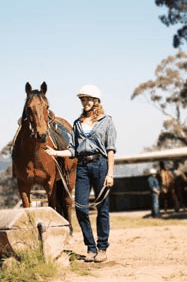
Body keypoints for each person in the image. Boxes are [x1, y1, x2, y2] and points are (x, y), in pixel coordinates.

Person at [45, 84, 117, 263]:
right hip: (83, 167)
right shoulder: (77, 124)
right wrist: (54, 153)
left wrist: (110, 173)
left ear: (96, 101)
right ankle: (90, 247)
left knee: (102, 209)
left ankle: (102, 248)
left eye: (88, 99)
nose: (85, 102)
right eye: (83, 99)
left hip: (100, 164)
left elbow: (110, 150)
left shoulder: (107, 121)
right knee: (81, 208)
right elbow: (73, 151)